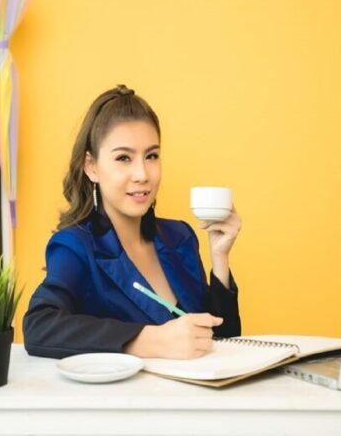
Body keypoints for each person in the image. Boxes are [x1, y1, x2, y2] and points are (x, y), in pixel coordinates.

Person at [23, 84, 242, 360]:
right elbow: (39, 327)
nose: (142, 174)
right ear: (91, 167)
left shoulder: (180, 238)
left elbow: (224, 346)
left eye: (151, 156)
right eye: (123, 158)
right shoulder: (75, 247)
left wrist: (220, 259)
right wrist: (150, 340)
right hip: (125, 402)